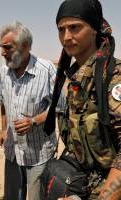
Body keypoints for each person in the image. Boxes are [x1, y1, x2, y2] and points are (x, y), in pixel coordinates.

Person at [43, 0, 121, 199]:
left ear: (94, 29)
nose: (67, 37)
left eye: (75, 28)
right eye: (61, 29)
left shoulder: (113, 77)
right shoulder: (74, 78)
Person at [0, 21, 65, 200]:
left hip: (39, 153)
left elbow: (60, 105)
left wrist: (34, 121)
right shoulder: (3, 72)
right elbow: (2, 102)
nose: (3, 52)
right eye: (1, 47)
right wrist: (4, 129)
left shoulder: (46, 70)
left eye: (7, 47)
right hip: (12, 151)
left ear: (25, 46)